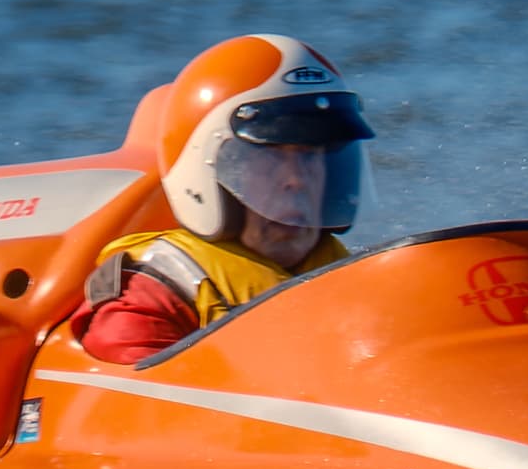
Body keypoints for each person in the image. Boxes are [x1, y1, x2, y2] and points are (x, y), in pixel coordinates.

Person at [67, 34, 374, 362]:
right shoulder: (145, 305)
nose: (297, 180)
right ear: (207, 171)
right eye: (271, 157)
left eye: (311, 157)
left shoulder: (357, 282)